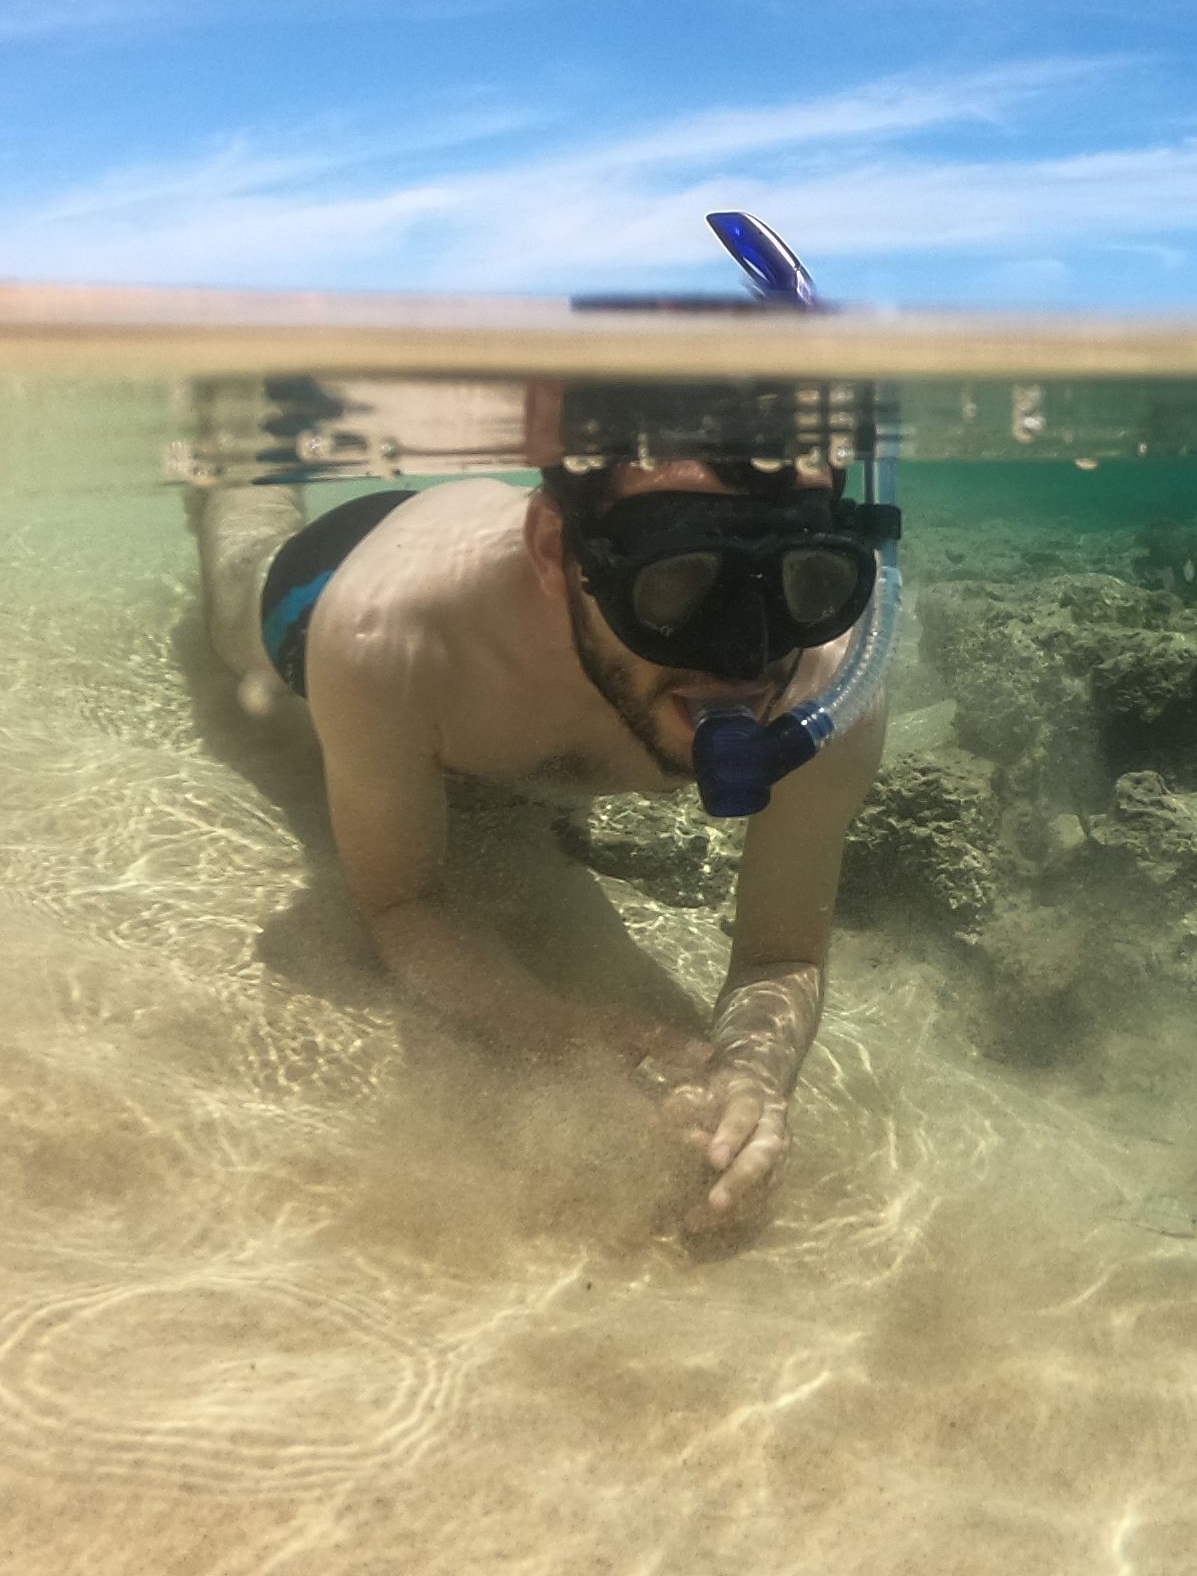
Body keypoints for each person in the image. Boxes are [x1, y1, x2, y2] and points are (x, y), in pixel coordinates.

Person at [194, 406, 892, 1229]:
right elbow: (400, 902)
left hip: (493, 593)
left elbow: (782, 952)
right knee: (240, 578)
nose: (745, 654)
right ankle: (236, 460)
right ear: (557, 553)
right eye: (675, 582)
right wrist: (539, 1029)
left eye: (805, 576)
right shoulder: (386, 632)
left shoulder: (830, 669)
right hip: (341, 574)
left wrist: (753, 1072)